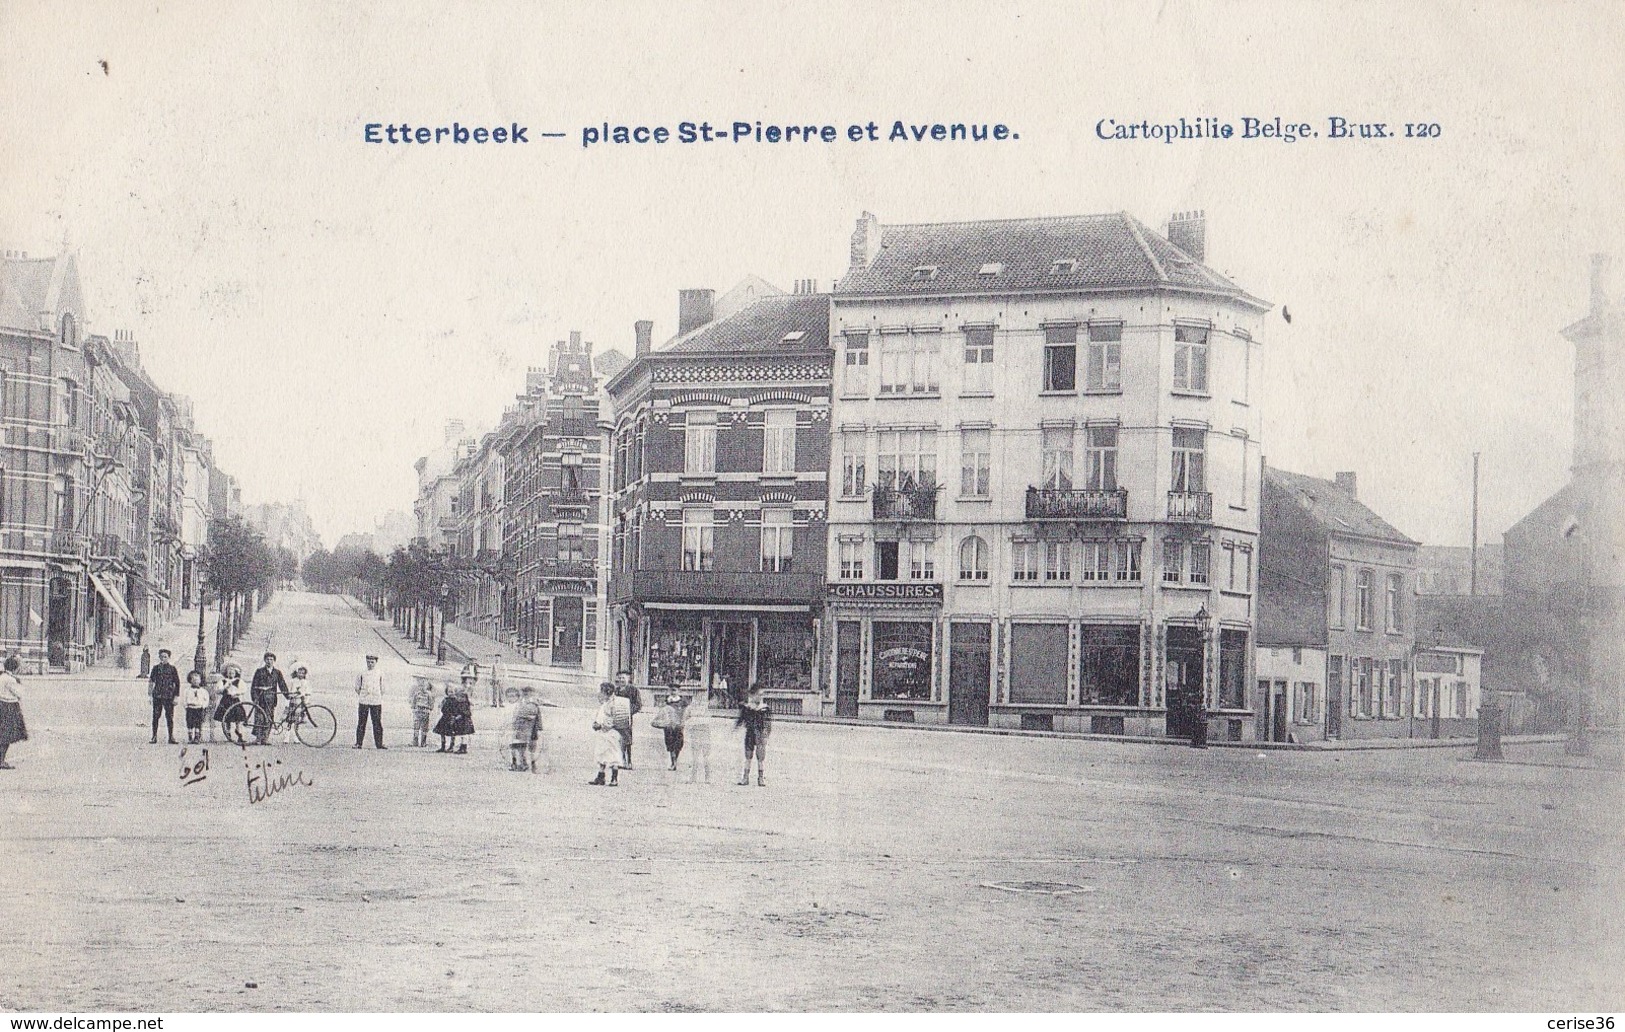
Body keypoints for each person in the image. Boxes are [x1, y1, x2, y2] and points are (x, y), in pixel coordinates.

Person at [735, 683, 771, 787]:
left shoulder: (764, 709)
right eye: (758, 694)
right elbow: (741, 720)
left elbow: (768, 724)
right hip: (750, 733)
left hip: (759, 734)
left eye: (762, 695)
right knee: (748, 756)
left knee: (760, 757)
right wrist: (736, 727)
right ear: (752, 695)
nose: (760, 697)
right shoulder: (747, 708)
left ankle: (761, 778)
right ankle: (745, 777)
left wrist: (766, 734)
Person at [587, 682, 623, 786]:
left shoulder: (613, 704)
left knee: (613, 754)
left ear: (606, 692)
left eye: (601, 691)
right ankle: (600, 776)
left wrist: (601, 726)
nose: (600, 693)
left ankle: (614, 778)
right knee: (602, 753)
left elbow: (612, 720)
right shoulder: (606, 703)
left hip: (610, 733)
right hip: (603, 733)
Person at [251, 652, 288, 745]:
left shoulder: (277, 672)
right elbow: (254, 685)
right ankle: (258, 738)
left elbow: (282, 684)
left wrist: (287, 695)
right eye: (267, 659)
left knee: (269, 718)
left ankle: (265, 738)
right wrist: (254, 698)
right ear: (264, 660)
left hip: (271, 699)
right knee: (259, 718)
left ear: (274, 661)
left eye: (271, 659)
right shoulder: (259, 671)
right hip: (260, 698)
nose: (269, 661)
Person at [147, 648, 181, 745]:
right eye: (161, 656)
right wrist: (149, 695)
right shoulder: (155, 668)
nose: (163, 658)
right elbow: (151, 681)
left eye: (165, 657)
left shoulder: (172, 669)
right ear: (159, 657)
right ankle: (154, 736)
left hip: (169, 696)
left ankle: (171, 737)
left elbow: (177, 683)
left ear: (169, 658)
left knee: (169, 717)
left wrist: (176, 696)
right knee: (155, 716)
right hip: (157, 695)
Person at [354, 653, 387, 750]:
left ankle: (379, 744)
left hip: (376, 701)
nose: (370, 664)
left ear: (376, 662)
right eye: (368, 662)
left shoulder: (380, 673)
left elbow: (383, 688)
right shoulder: (361, 673)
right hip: (364, 700)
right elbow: (357, 687)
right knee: (361, 722)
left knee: (377, 722)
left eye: (372, 662)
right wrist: (362, 694)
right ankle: (358, 743)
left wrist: (377, 695)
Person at [0, 656, 27, 769]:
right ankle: (1, 760)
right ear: (15, 668)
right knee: (7, 735)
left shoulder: (2, 676)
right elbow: (20, 694)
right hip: (9, 706)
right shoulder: (11, 680)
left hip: (1, 704)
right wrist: (18, 683)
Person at [650, 688, 686, 771]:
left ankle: (675, 760)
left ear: (678, 691)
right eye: (672, 690)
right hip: (668, 726)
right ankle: (673, 762)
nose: (673, 692)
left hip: (678, 726)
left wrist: (682, 721)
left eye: (675, 690)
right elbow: (662, 712)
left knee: (678, 743)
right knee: (670, 743)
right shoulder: (667, 701)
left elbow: (687, 712)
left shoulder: (683, 701)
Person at [509, 685, 543, 773]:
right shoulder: (525, 703)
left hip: (526, 728)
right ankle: (524, 764)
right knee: (522, 747)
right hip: (526, 728)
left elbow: (534, 716)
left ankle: (527, 764)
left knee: (524, 747)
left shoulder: (529, 704)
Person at [683, 688, 712, 783]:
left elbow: (685, 719)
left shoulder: (693, 708)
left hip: (699, 732)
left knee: (699, 756)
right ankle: (703, 777)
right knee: (702, 756)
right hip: (701, 732)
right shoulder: (703, 708)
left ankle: (697, 777)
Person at [215, 664, 249, 745]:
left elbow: (243, 689)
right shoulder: (222, 681)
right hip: (226, 700)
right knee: (226, 718)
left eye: (233, 671)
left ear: (236, 673)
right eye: (229, 671)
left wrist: (237, 693)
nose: (231, 673)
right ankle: (228, 734)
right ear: (226, 673)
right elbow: (218, 691)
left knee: (238, 718)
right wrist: (225, 687)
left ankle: (239, 734)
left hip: (235, 700)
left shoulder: (239, 681)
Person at [613, 669, 640, 768]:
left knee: (627, 739)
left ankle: (629, 761)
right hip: (617, 718)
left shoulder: (633, 690)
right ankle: (621, 760)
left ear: (628, 678)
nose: (621, 680)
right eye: (619, 678)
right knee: (618, 739)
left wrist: (629, 712)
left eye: (623, 678)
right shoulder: (616, 691)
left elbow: (638, 704)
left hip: (627, 718)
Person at [182, 670, 210, 744]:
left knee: (198, 722)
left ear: (200, 680)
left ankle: (197, 737)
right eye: (193, 679)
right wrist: (186, 706)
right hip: (190, 708)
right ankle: (190, 737)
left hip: (199, 708)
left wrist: (203, 706)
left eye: (197, 679)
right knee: (190, 722)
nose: (195, 681)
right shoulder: (187, 690)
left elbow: (206, 699)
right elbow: (184, 698)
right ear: (190, 680)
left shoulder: (203, 691)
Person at [409, 676, 437, 747]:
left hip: (425, 712)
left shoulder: (428, 694)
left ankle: (423, 742)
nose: (422, 688)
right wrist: (413, 707)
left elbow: (431, 702)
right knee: (416, 726)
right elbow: (414, 702)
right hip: (418, 711)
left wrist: (430, 708)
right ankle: (415, 741)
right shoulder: (417, 694)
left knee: (424, 727)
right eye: (421, 686)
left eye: (424, 686)